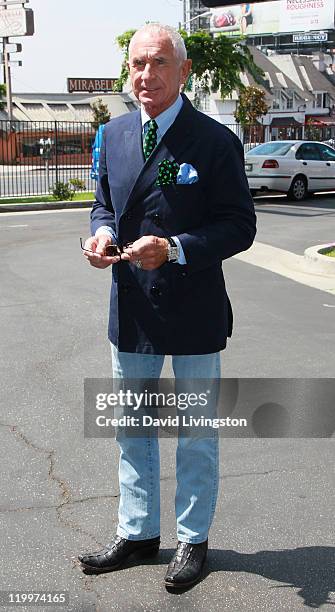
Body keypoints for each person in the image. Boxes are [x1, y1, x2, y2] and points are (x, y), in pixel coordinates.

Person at [78, 23, 256, 588]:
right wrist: (101, 235)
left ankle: (192, 540)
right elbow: (102, 205)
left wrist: (176, 248)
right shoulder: (115, 134)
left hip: (195, 307)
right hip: (131, 309)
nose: (145, 75)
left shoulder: (214, 140)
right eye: (136, 64)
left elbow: (239, 225)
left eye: (158, 63)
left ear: (183, 72)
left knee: (196, 431)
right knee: (132, 429)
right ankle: (137, 533)